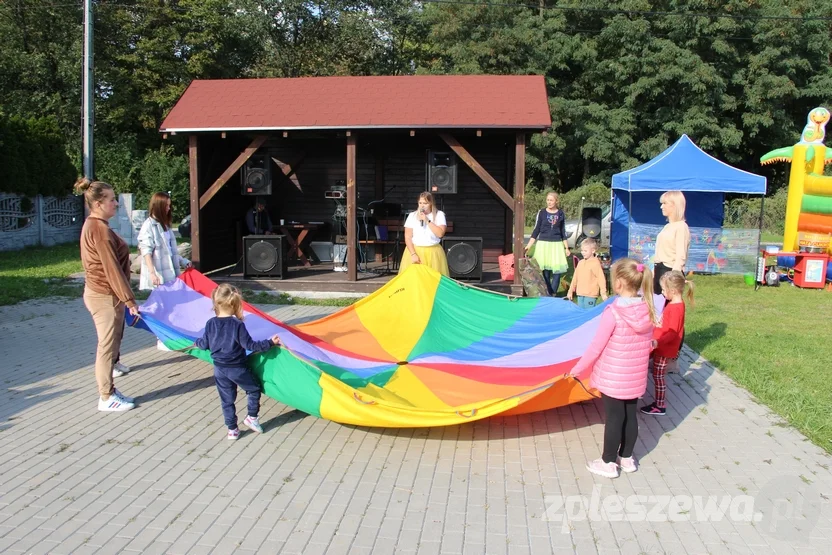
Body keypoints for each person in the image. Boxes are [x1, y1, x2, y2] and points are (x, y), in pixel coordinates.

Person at [568, 258, 657, 478]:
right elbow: (649, 343)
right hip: (635, 376)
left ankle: (608, 462)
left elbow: (596, 346)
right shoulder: (647, 309)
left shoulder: (613, 312)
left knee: (614, 419)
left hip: (614, 377)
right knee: (630, 416)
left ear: (617, 284)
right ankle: (626, 458)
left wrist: (577, 369)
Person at [75, 177, 138, 412]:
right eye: (112, 200)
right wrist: (129, 300)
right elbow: (111, 270)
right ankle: (106, 397)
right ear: (99, 203)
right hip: (104, 295)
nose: (116, 204)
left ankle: (110, 390)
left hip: (104, 293)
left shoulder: (95, 225)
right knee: (106, 347)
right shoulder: (98, 229)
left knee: (111, 345)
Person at [195, 284, 281, 440]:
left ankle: (232, 430)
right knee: (254, 389)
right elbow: (250, 346)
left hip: (219, 369)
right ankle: (252, 418)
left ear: (216, 303)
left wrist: (197, 342)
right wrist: (270, 343)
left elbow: (204, 344)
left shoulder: (210, 323)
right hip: (237, 368)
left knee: (226, 399)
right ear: (235, 305)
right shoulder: (237, 325)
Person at [642, 271, 694, 416]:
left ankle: (660, 405)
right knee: (656, 373)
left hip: (664, 347)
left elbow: (672, 332)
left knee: (658, 375)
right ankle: (658, 402)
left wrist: (657, 341)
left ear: (673, 290)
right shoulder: (675, 304)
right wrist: (659, 324)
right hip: (662, 344)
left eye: (664, 290)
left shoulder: (676, 307)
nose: (663, 293)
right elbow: (669, 326)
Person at [525, 192, 570, 296]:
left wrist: (566, 247)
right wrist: (529, 246)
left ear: (556, 201)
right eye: (548, 200)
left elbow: (563, 231)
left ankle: (553, 293)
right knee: (545, 271)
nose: (549, 202)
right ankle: (549, 293)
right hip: (543, 244)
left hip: (557, 244)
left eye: (551, 200)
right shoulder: (542, 213)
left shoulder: (561, 214)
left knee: (557, 272)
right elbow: (536, 230)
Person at [399, 192, 449, 276]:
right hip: (415, 250)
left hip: (433, 252)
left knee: (432, 279)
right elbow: (408, 237)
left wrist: (427, 220)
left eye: (425, 203)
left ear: (431, 203)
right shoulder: (412, 216)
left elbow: (440, 233)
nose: (422, 205)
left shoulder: (439, 215)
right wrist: (413, 254)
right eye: (420, 203)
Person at [653, 191, 691, 294]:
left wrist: (673, 278)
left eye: (665, 203)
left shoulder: (681, 227)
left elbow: (680, 256)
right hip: (659, 269)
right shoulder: (667, 226)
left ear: (675, 205)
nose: (661, 207)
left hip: (669, 270)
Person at [567, 238, 608, 308]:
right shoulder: (580, 263)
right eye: (582, 250)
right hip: (580, 294)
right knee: (581, 314)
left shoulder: (595, 263)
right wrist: (570, 291)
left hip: (590, 295)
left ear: (593, 251)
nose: (583, 252)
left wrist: (603, 293)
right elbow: (575, 278)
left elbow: (600, 278)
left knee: (589, 313)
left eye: (585, 251)